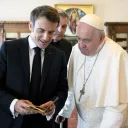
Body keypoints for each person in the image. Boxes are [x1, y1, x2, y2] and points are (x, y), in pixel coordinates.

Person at [0, 5, 68, 128]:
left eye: (51, 32)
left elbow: (63, 90)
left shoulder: (59, 56)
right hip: (11, 122)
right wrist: (13, 104)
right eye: (41, 30)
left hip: (45, 124)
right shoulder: (9, 49)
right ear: (30, 26)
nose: (46, 37)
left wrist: (54, 105)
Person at [56, 14, 128, 128]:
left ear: (101, 38)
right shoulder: (76, 50)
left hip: (106, 123)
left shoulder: (117, 56)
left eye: (86, 40)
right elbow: (72, 87)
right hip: (83, 121)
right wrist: (65, 111)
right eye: (78, 38)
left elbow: (117, 106)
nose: (81, 45)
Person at [51, 10, 72, 128]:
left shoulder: (67, 45)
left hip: (62, 95)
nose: (60, 30)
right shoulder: (42, 42)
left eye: (64, 26)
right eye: (57, 25)